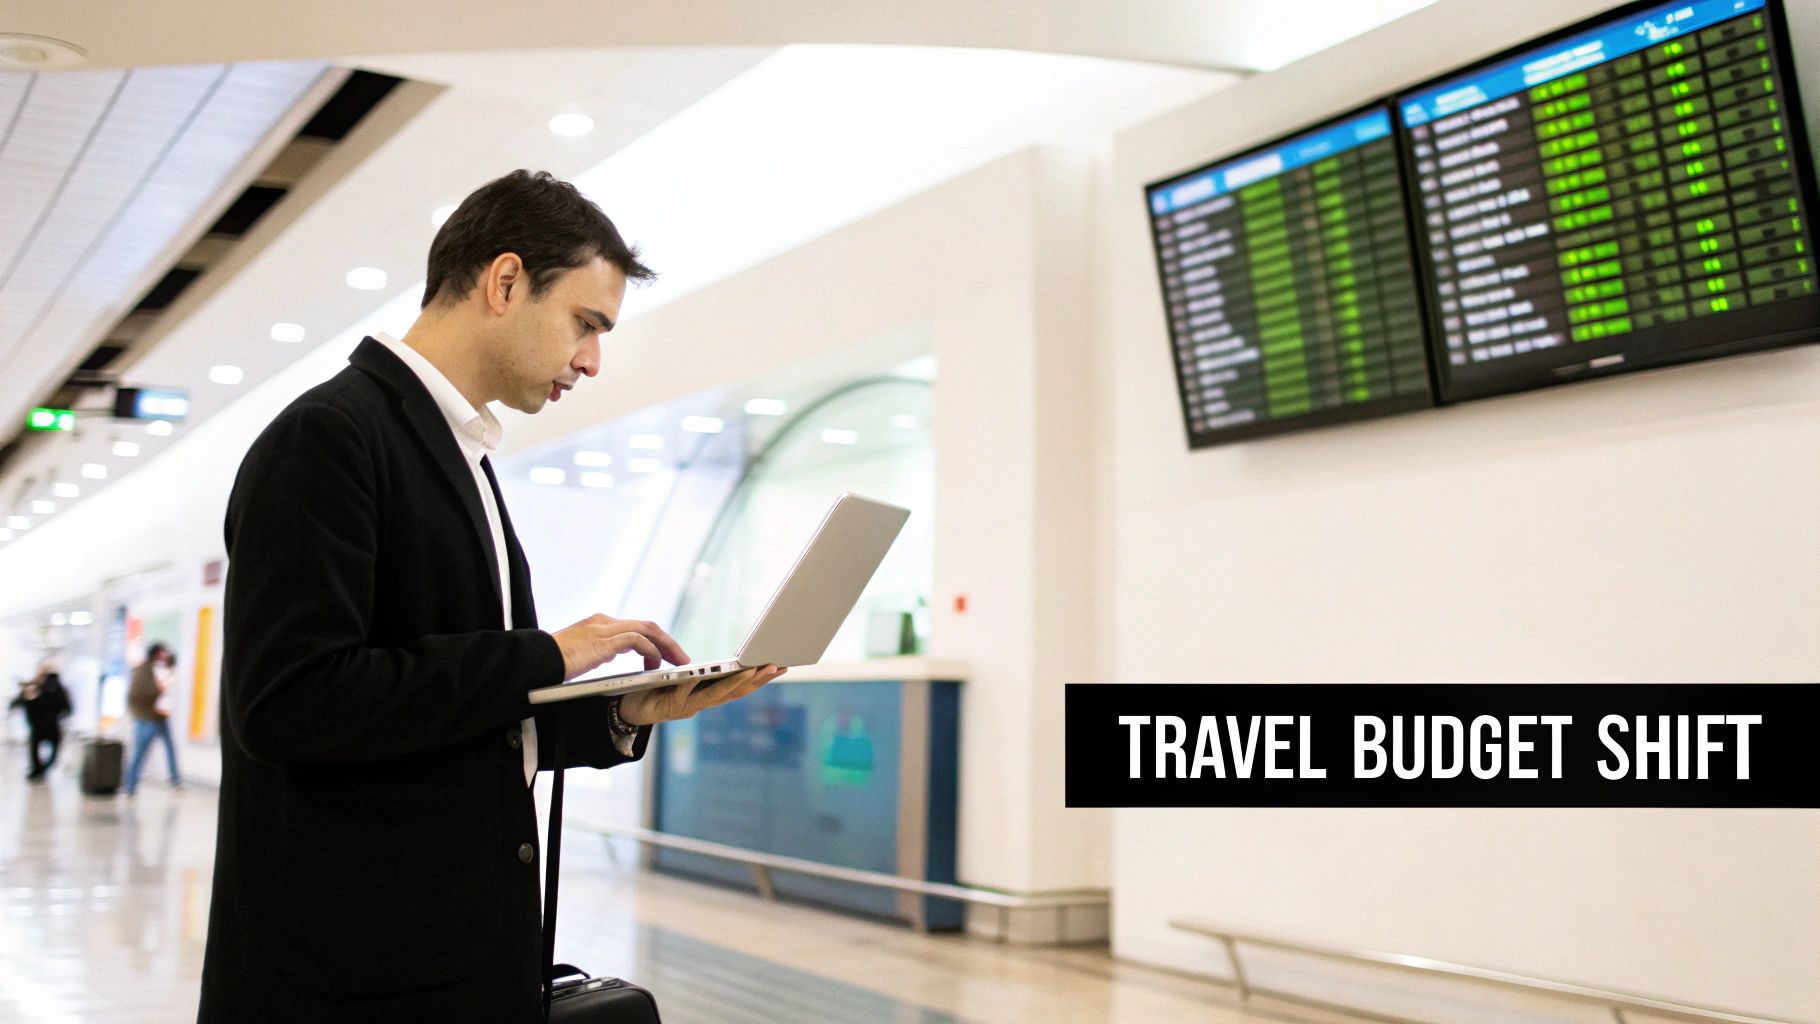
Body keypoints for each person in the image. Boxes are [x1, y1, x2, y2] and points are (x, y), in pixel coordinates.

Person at [198, 169, 785, 1022]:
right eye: (587, 324)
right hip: (351, 978)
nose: (591, 360)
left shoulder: (459, 453)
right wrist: (549, 652)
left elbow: (456, 717)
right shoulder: (328, 438)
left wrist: (625, 712)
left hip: (447, 959)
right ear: (504, 281)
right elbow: (291, 702)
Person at [124, 642, 181, 794]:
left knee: (169, 750)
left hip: (158, 717)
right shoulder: (144, 671)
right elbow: (143, 694)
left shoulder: (155, 669)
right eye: (163, 653)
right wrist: (160, 689)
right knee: (140, 753)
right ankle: (130, 786)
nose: (165, 657)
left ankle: (175, 781)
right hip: (147, 718)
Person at [9, 662, 71, 781]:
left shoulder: (36, 687)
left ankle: (39, 770)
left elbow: (19, 702)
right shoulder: (57, 687)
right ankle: (40, 770)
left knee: (38, 748)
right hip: (50, 724)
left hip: (39, 725)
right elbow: (67, 708)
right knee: (51, 749)